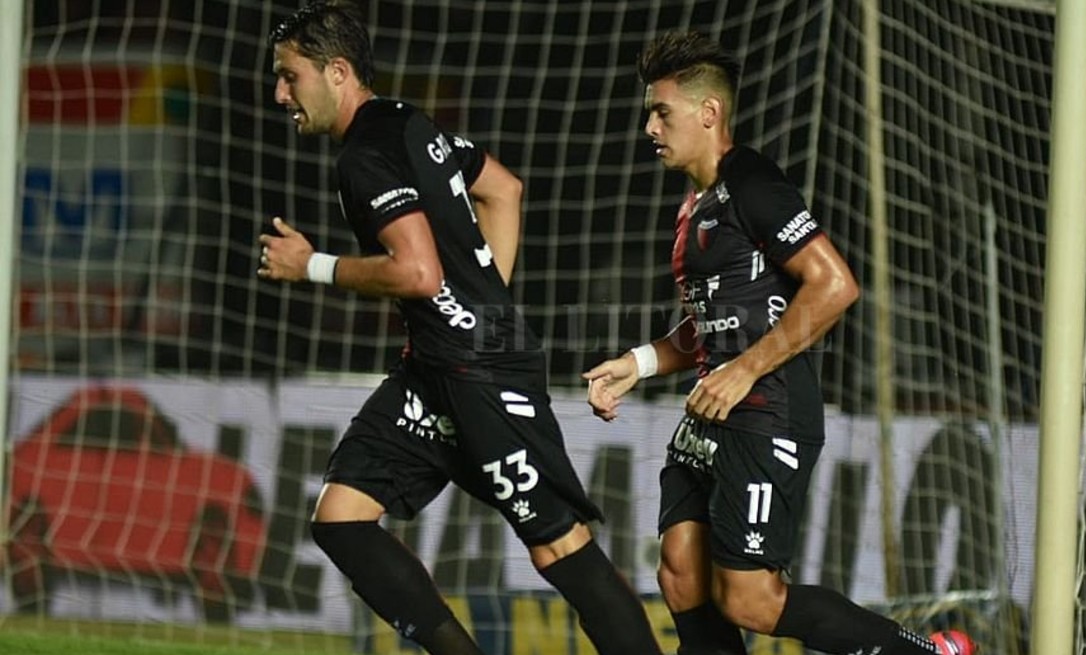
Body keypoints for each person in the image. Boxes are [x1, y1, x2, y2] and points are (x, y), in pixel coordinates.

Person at [258, 3, 663, 654]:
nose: (280, 94)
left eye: (289, 76)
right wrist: (482, 303)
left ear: (337, 72)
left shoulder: (364, 157)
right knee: (341, 517)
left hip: (481, 373)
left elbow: (417, 273)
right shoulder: (409, 123)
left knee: (558, 543)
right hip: (435, 367)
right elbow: (504, 189)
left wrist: (313, 265)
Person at [583, 31, 978, 655]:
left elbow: (834, 285)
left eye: (661, 112)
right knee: (681, 573)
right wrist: (639, 363)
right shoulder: (695, 204)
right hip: (711, 412)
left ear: (708, 112)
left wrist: (744, 370)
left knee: (750, 601)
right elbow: (711, 325)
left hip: (767, 413)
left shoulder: (753, 182)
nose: (649, 127)